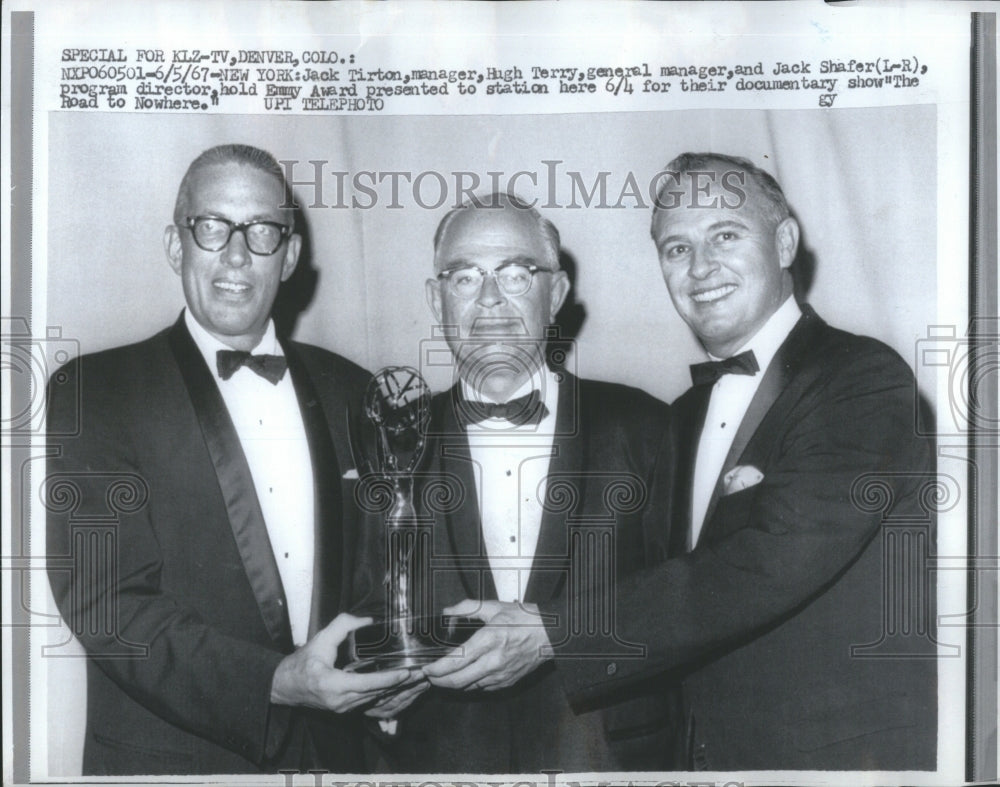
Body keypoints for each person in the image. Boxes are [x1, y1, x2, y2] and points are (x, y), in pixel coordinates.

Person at [539, 153, 938, 770]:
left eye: (725, 235)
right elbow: (651, 586)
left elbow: (771, 557)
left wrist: (554, 633)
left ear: (783, 242)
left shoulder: (861, 379)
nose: (700, 268)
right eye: (676, 249)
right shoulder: (679, 417)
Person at [45, 144, 418, 776]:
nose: (237, 256)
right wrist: (275, 681)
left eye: (262, 231)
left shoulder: (356, 392)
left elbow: (381, 576)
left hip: (341, 761)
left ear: (290, 255)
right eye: (212, 227)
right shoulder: (96, 392)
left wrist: (391, 670)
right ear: (175, 245)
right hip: (175, 765)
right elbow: (108, 601)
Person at [364, 193, 681, 772]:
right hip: (437, 764)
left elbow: (684, 602)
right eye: (464, 277)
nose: (490, 300)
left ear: (555, 294)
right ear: (436, 300)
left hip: (607, 761)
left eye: (515, 273)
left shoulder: (648, 427)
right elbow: (363, 607)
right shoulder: (390, 436)